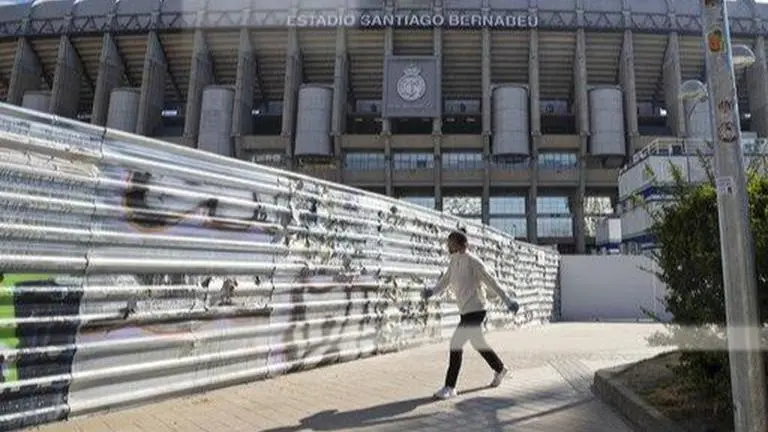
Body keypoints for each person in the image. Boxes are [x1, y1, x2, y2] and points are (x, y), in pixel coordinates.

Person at [422, 230, 520, 400]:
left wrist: (508, 301)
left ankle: (450, 386)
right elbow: (445, 281)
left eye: (450, 242)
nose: (448, 245)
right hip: (465, 310)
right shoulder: (453, 261)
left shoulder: (473, 262)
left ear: (461, 244)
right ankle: (499, 368)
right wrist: (432, 291)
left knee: (456, 344)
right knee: (478, 343)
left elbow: (492, 282)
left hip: (476, 309)